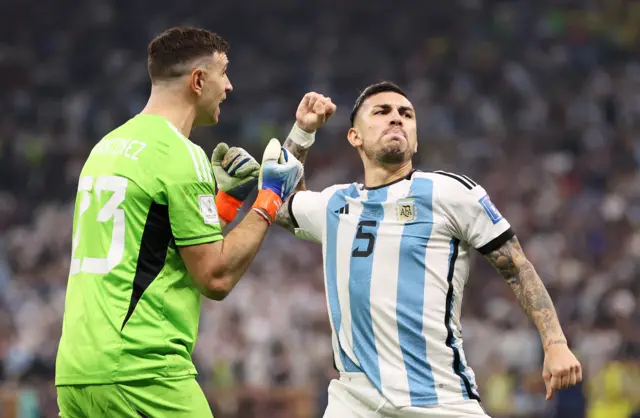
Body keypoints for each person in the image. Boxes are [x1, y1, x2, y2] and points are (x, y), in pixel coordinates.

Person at [274, 82, 583, 417]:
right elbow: (279, 205)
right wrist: (303, 131)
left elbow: (516, 266)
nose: (396, 119)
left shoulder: (449, 192)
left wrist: (555, 343)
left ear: (416, 139)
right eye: (381, 112)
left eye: (406, 115)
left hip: (438, 398)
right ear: (355, 137)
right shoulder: (336, 203)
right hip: (355, 401)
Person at [54, 26, 306, 418]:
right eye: (223, 72)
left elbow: (157, 252)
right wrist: (269, 196)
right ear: (198, 80)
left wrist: (220, 203)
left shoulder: (106, 148)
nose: (230, 86)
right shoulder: (180, 155)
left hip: (77, 372)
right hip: (143, 371)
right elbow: (215, 277)